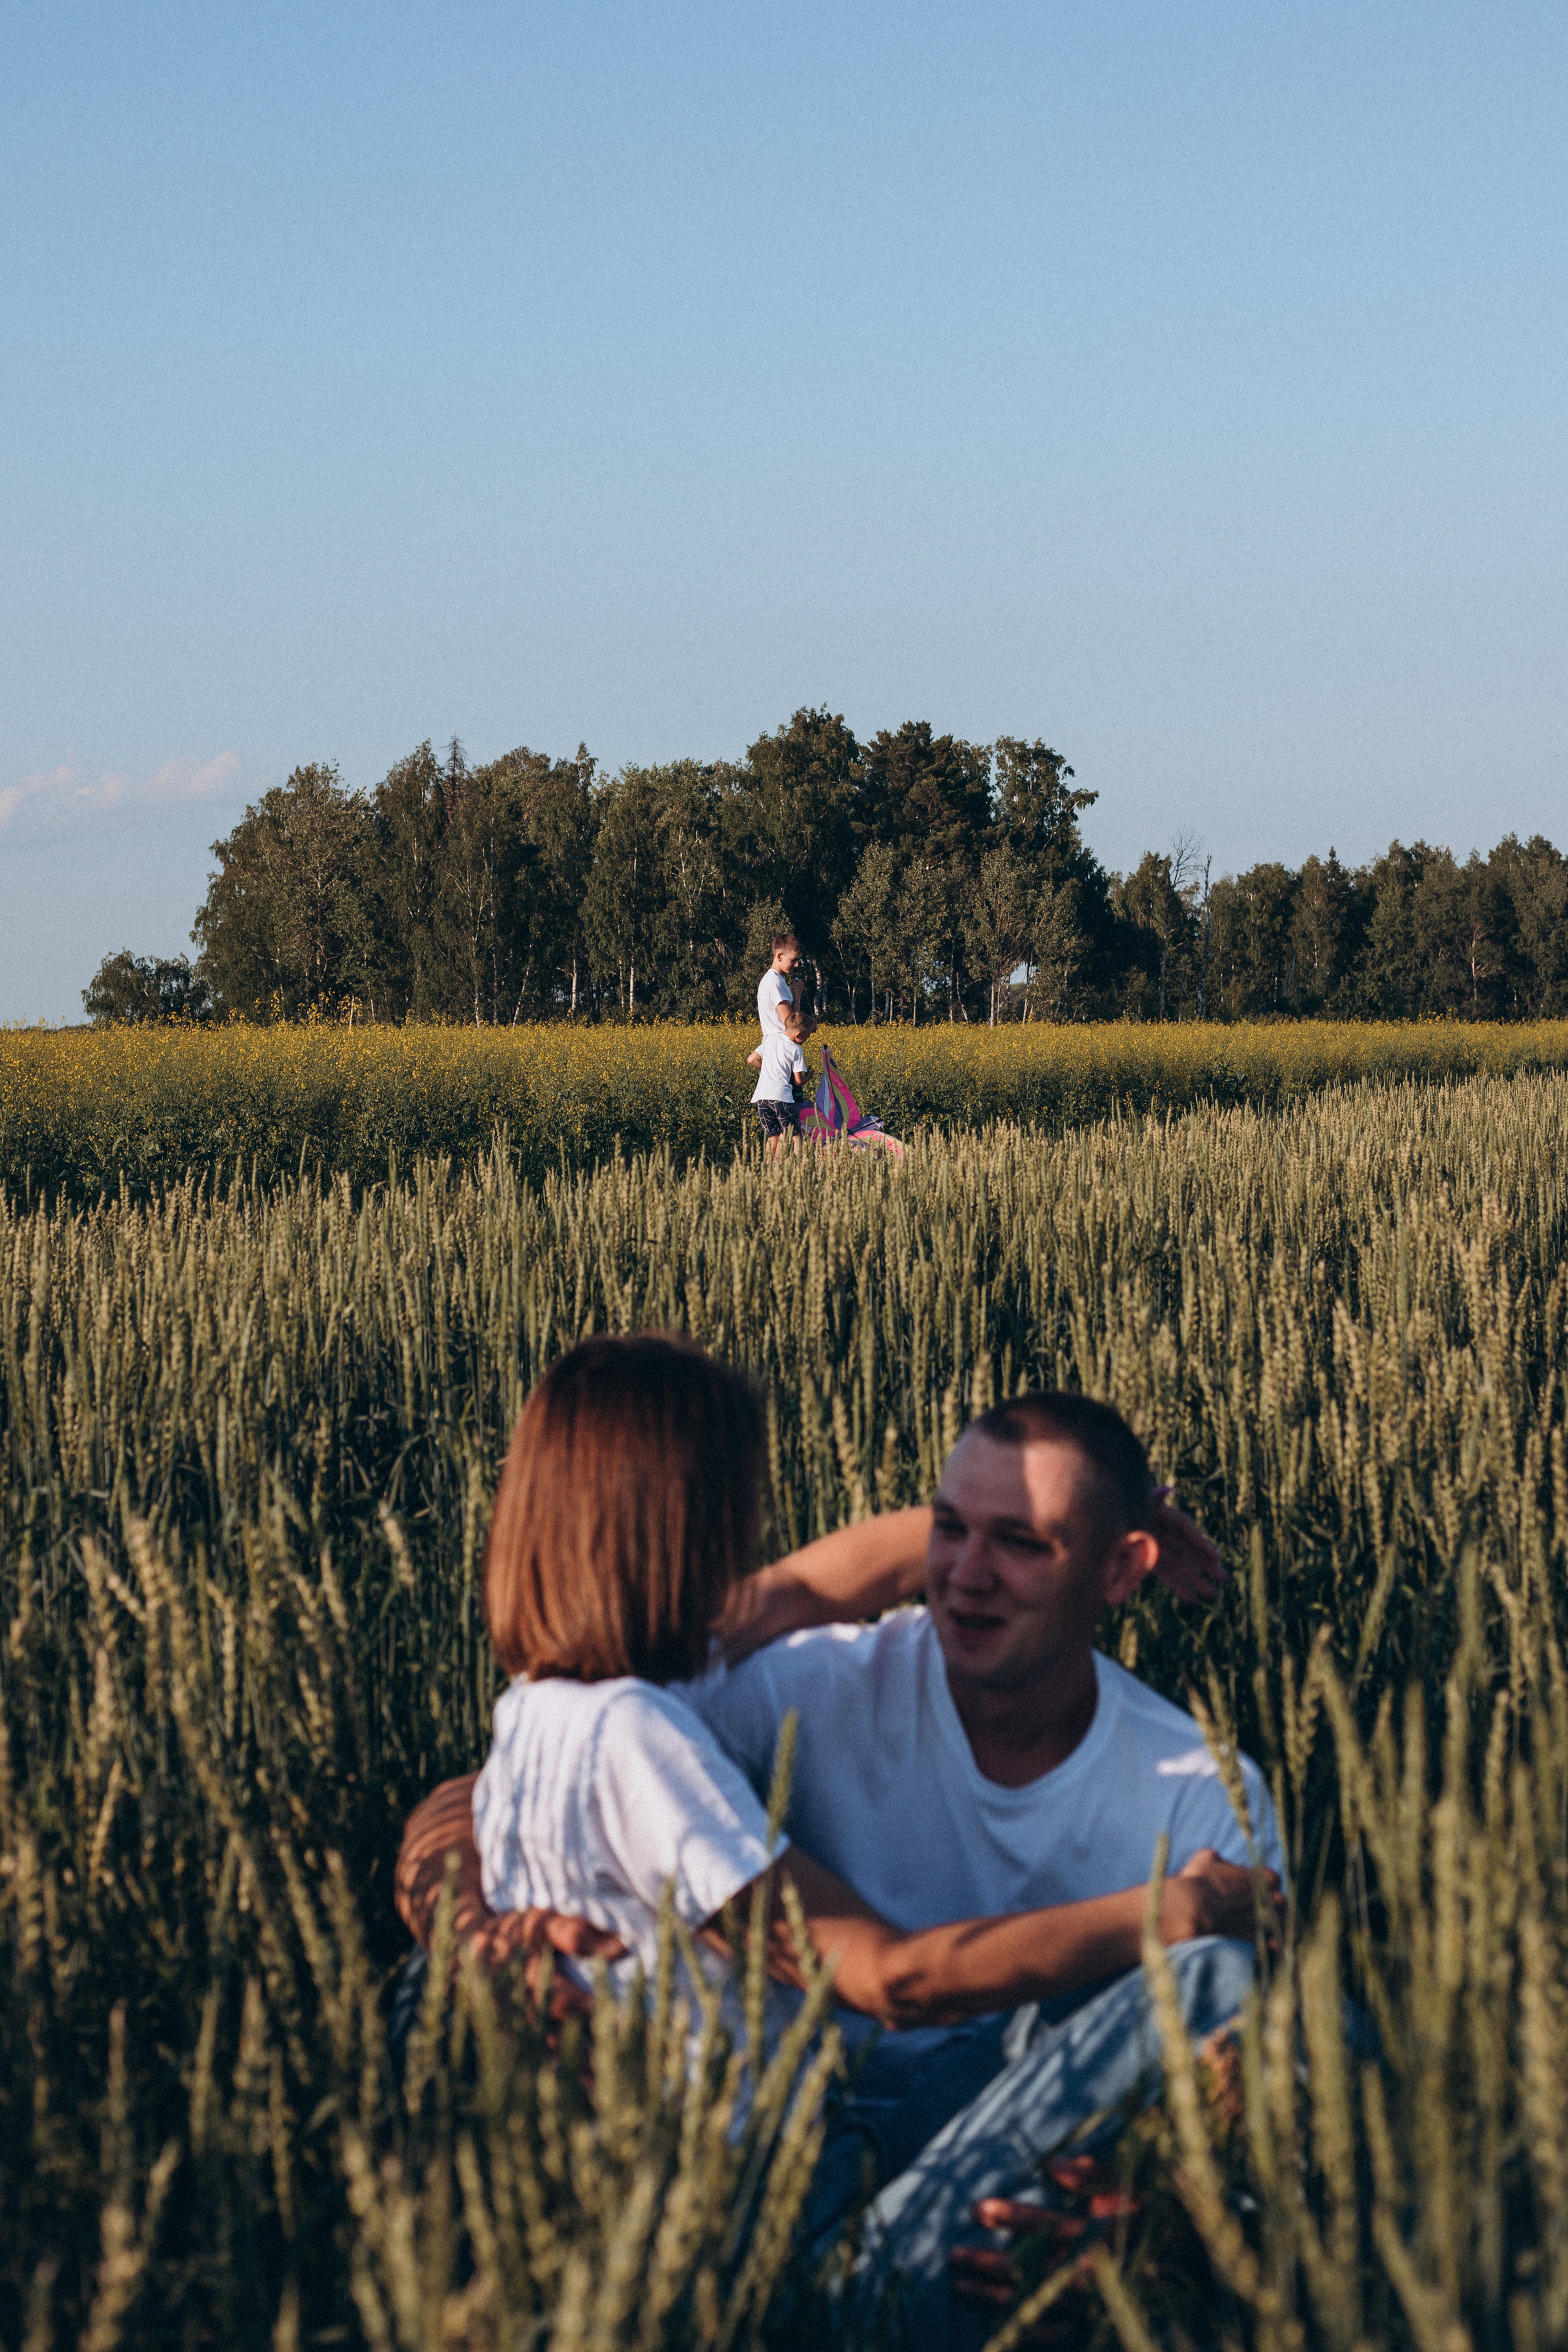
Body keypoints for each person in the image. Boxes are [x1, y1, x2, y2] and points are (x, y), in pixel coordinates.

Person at [398, 1352, 1280, 2345]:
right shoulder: (666, 1722)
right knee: (1210, 1970)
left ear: (1122, 1569)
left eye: (1021, 1543)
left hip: (797, 2157)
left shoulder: (546, 1709)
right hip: (778, 2225)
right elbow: (890, 1977)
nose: (758, 1534)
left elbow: (801, 1587)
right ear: (686, 1525)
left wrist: (1151, 2210)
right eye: (950, 1529)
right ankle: (874, 2307)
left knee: (1225, 2000)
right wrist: (1169, 1911)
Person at [752, 1005, 814, 1155]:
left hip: (761, 1098)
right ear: (798, 1035)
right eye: (808, 1036)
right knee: (795, 1135)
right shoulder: (797, 1050)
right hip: (781, 1097)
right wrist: (809, 1077)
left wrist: (768, 1069)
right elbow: (798, 1082)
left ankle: (770, 1165)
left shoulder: (771, 1039)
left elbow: (751, 1059)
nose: (808, 1038)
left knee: (773, 1136)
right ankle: (802, 1164)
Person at [747, 931, 803, 1074]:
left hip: (777, 1049)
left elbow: (752, 1059)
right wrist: (798, 995)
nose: (797, 965)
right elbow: (791, 1023)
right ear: (780, 956)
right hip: (782, 1050)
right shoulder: (775, 982)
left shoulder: (775, 980)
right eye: (793, 960)